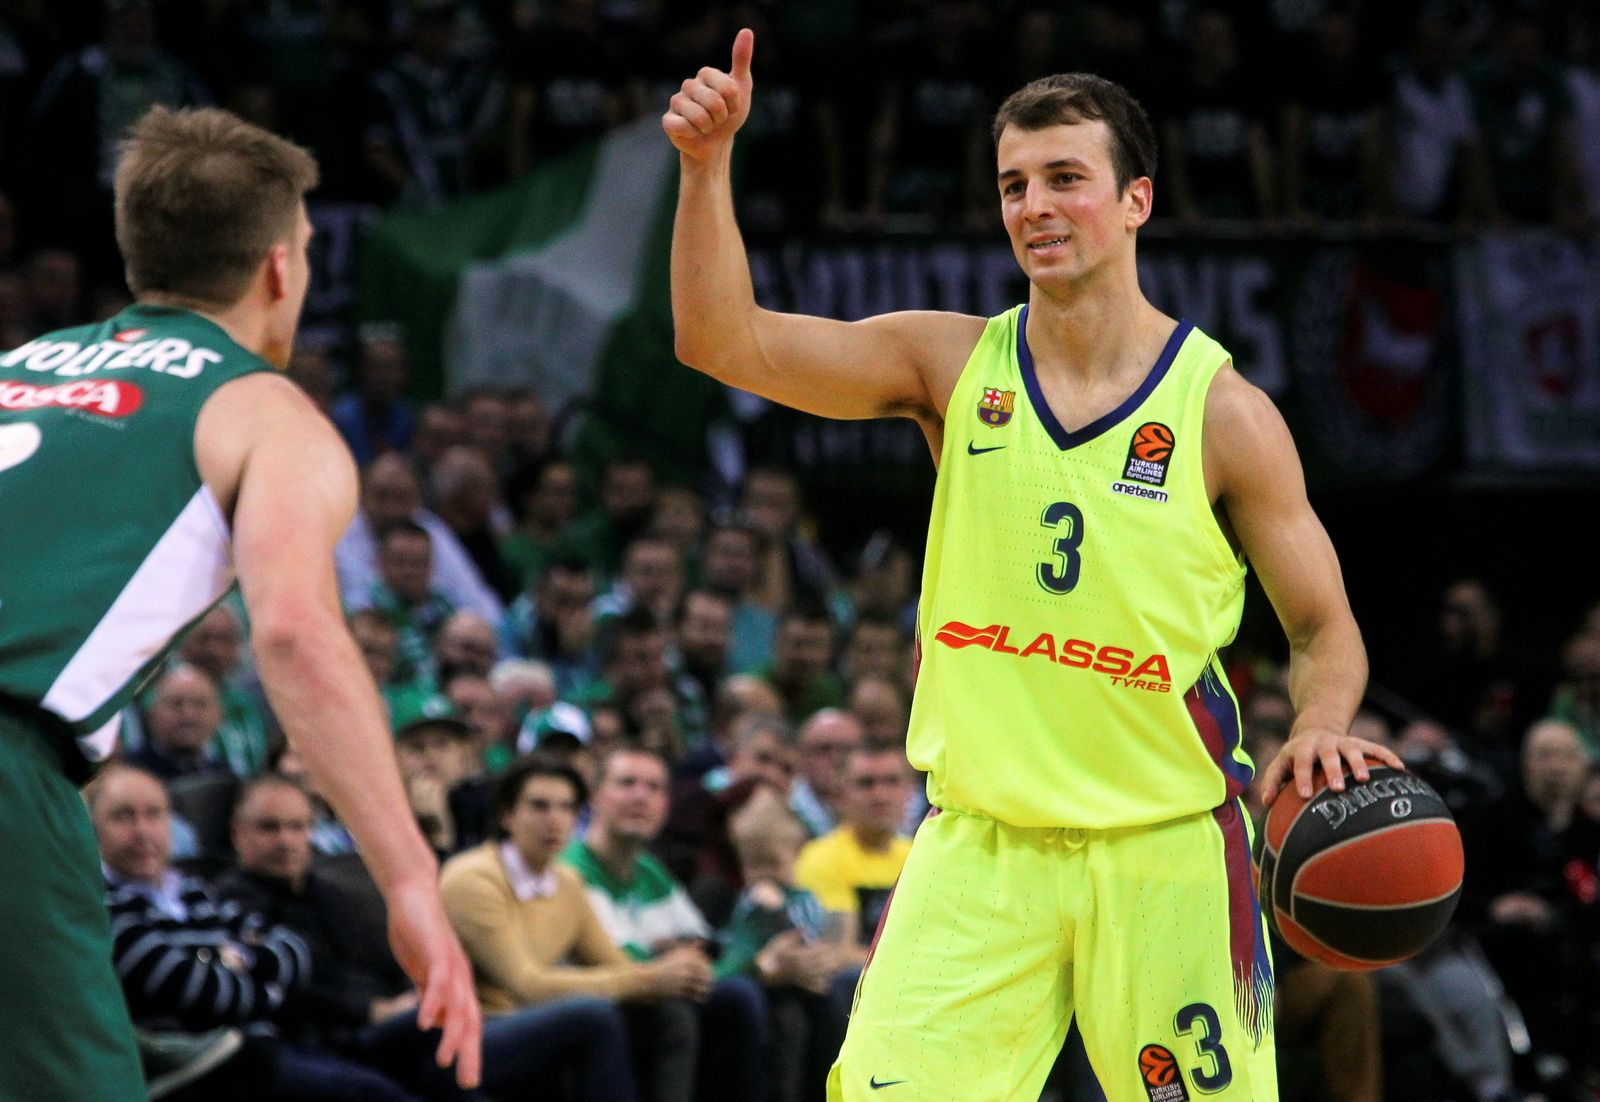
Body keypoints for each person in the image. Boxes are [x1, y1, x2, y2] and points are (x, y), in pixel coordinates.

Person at [664, 36, 1401, 1100]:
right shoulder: (949, 361)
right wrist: (706, 167)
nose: (1034, 206)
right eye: (1013, 185)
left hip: (1165, 851)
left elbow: (1323, 627)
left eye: (1065, 179)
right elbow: (720, 341)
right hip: (980, 849)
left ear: (1136, 198)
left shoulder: (1225, 414)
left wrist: (1321, 722)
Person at [0, 105, 479, 1098]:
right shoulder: (266, 411)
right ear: (278, 267)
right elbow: (297, 636)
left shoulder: (16, 369)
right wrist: (407, 877)